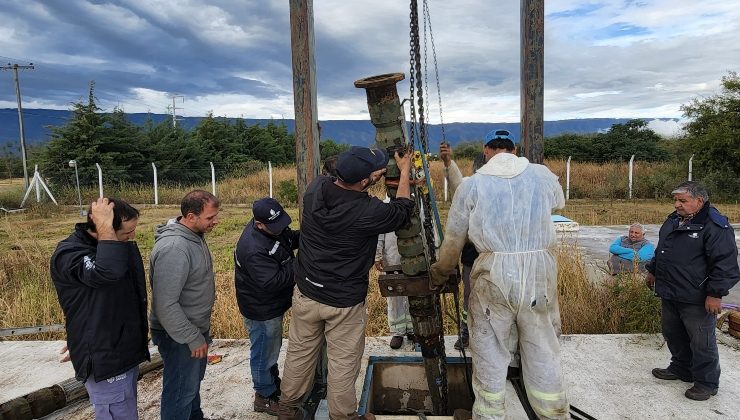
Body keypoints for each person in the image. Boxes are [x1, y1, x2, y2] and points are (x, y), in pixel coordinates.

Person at [430, 131, 569, 419]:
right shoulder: (542, 176)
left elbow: (454, 238)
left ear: (486, 150)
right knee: (543, 347)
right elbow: (557, 203)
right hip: (539, 272)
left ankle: (490, 414)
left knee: (490, 350)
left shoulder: (473, 184)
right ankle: (554, 413)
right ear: (514, 149)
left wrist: (440, 272)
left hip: (494, 272)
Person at [277, 146, 415, 420]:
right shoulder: (368, 211)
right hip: (343, 302)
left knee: (299, 353)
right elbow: (402, 210)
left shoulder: (315, 190)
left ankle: (288, 407)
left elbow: (341, 177)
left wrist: (373, 166)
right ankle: (343, 416)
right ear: (365, 181)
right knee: (343, 362)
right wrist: (404, 172)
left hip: (306, 292)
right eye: (375, 171)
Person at [50, 197, 149, 420]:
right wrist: (86, 341)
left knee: (126, 411)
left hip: (119, 349)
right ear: (101, 229)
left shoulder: (108, 247)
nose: (132, 236)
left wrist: (83, 336)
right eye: (126, 232)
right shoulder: (70, 254)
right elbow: (106, 273)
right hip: (106, 356)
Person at [646, 181, 739, 401]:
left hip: (696, 297)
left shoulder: (714, 225)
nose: (677, 204)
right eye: (676, 200)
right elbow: (663, 249)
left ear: (699, 201)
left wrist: (716, 293)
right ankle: (681, 368)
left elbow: (725, 263)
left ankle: (706, 383)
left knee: (701, 341)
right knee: (673, 334)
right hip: (670, 290)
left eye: (682, 200)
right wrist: (653, 270)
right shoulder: (673, 220)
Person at [150, 190, 220, 420]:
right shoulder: (175, 248)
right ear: (191, 217)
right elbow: (166, 304)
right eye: (210, 218)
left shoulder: (193, 237)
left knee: (190, 386)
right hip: (179, 335)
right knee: (180, 390)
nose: (215, 222)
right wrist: (191, 337)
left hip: (191, 329)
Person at [234, 197, 299, 415]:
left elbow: (289, 238)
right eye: (276, 226)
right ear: (259, 224)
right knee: (263, 352)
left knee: (270, 349)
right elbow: (272, 281)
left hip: (271, 304)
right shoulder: (252, 248)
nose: (282, 229)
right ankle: (264, 396)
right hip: (261, 310)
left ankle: (272, 384)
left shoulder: (273, 227)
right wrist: (302, 264)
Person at [439, 142, 486, 350]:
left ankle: (486, 335)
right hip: (473, 254)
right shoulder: (470, 186)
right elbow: (459, 184)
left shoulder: (509, 190)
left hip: (497, 255)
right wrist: (448, 162)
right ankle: (466, 332)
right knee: (470, 294)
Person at [374, 228, 414, 349]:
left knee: (415, 292)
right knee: (395, 298)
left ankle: (414, 329)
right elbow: (380, 230)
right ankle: (398, 332)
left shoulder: (420, 208)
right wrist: (377, 255)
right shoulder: (386, 208)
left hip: (415, 259)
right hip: (393, 259)